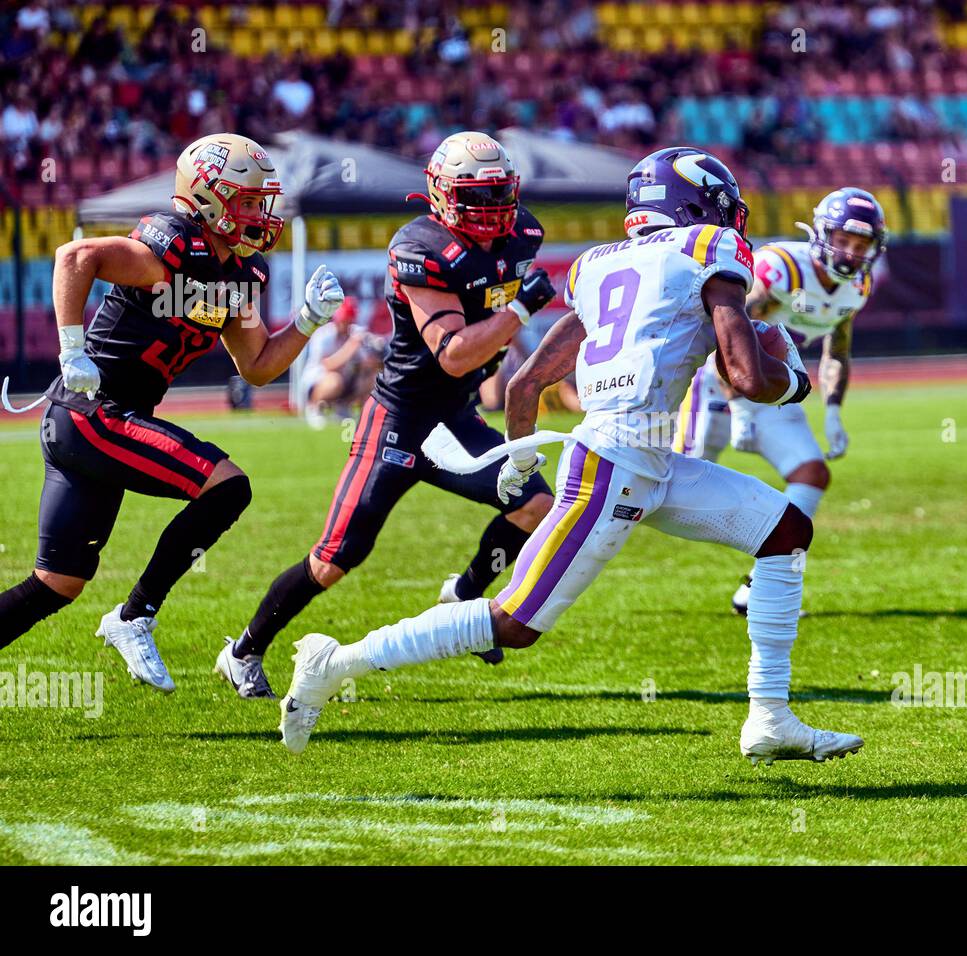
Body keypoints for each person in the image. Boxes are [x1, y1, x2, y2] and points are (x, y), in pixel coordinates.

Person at [276, 146, 863, 765]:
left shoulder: (598, 264)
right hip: (615, 467)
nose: (730, 217)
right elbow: (744, 375)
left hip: (640, 460)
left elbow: (528, 382)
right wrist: (795, 379)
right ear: (696, 204)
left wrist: (520, 464)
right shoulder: (708, 249)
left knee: (786, 531)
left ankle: (769, 718)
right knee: (513, 624)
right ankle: (333, 662)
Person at [216, 131, 556, 699]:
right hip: (399, 420)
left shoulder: (523, 233)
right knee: (335, 559)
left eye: (500, 191)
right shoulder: (418, 245)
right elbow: (453, 355)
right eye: (477, 195)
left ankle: (466, 594)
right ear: (442, 194)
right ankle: (245, 649)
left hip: (457, 419)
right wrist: (521, 308)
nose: (494, 208)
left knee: (537, 507)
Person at [0, 133, 344, 691]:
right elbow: (76, 256)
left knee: (56, 584)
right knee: (228, 486)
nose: (260, 213)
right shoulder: (175, 246)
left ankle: (128, 617)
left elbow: (256, 366)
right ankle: (134, 616)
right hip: (94, 412)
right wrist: (70, 348)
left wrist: (305, 320)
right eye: (248, 200)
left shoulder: (239, 275)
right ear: (208, 198)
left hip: (93, 426)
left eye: (262, 201)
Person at [675, 188, 886, 614]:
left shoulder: (858, 285)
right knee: (661, 486)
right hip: (716, 381)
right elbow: (725, 330)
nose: (850, 254)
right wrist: (737, 401)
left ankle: (757, 588)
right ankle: (580, 530)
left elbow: (837, 349)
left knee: (811, 473)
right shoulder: (783, 268)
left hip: (772, 388)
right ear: (821, 234)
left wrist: (832, 412)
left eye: (861, 246)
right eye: (843, 241)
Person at [300, 297, 384, 429]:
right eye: (345, 320)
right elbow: (327, 365)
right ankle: (314, 406)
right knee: (335, 381)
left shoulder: (355, 333)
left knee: (372, 378)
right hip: (318, 381)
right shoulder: (324, 334)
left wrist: (376, 353)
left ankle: (344, 406)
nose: (346, 324)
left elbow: (366, 363)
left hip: (345, 379)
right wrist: (351, 347)